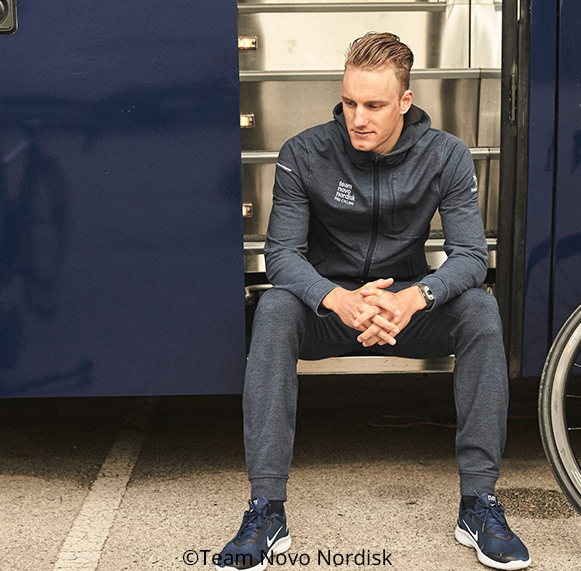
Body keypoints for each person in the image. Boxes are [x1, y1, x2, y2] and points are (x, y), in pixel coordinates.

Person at [215, 32, 530, 571]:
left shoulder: (446, 155)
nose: (358, 117)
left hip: (404, 309)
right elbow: (282, 256)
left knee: (479, 308)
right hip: (329, 311)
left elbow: (471, 256)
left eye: (375, 105)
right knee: (273, 309)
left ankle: (479, 502)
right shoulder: (303, 152)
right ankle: (266, 508)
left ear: (405, 102)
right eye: (349, 102)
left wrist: (415, 298)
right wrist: (336, 299)